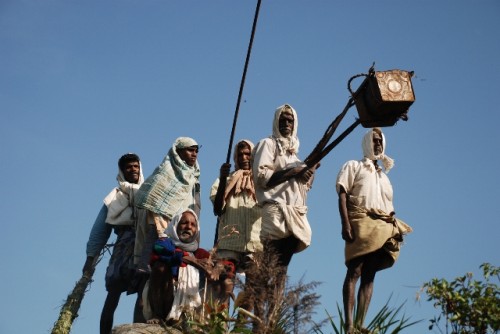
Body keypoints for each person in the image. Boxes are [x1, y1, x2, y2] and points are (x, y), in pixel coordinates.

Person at [335, 127, 412, 333]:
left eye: (380, 141)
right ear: (367, 142)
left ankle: (360, 323)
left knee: (369, 275)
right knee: (355, 271)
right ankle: (349, 324)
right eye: (374, 140)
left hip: (382, 226)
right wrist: (345, 223)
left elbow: (389, 206)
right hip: (360, 221)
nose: (378, 144)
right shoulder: (353, 166)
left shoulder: (384, 177)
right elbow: (342, 195)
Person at [252, 104, 319, 328]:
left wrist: (309, 171)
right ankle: (258, 319)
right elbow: (261, 177)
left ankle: (272, 318)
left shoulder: (295, 154)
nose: (286, 123)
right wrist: (295, 171)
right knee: (268, 267)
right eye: (283, 119)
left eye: (290, 120)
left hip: (295, 214)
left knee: (281, 270)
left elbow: (303, 189)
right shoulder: (268, 144)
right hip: (274, 210)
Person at [82, 153, 145, 334]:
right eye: (128, 167)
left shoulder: (150, 191)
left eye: (135, 166)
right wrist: (90, 258)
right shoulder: (114, 197)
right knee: (113, 292)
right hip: (123, 247)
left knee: (143, 291)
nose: (132, 169)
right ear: (122, 171)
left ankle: (138, 331)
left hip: (144, 244)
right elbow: (100, 230)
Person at [134, 137, 201, 276]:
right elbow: (153, 195)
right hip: (161, 221)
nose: (194, 154)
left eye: (196, 151)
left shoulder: (193, 177)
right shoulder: (166, 171)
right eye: (190, 150)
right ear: (179, 152)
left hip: (181, 227)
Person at [209, 139, 263, 310]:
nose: (244, 157)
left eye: (248, 154)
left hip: (255, 241)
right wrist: (224, 179)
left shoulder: (261, 181)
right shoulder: (224, 179)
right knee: (224, 282)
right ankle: (220, 324)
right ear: (235, 158)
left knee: (252, 287)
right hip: (229, 241)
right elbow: (217, 208)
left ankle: (241, 327)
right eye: (240, 155)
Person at [142, 209, 210, 328]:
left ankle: (186, 318)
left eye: (193, 225)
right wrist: (185, 258)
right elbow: (160, 249)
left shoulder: (199, 253)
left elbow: (214, 264)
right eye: (184, 223)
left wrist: (215, 268)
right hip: (165, 298)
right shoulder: (165, 242)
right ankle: (158, 315)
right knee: (160, 267)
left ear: (196, 230)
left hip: (186, 304)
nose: (188, 227)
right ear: (176, 225)